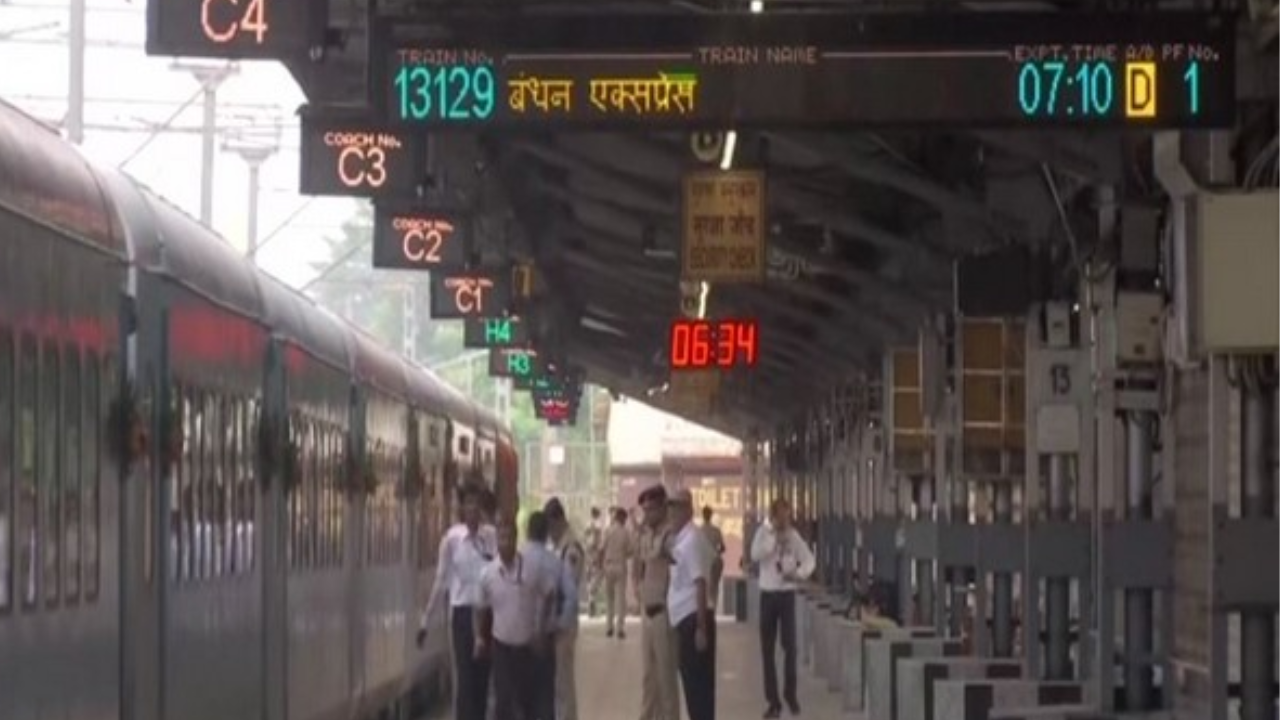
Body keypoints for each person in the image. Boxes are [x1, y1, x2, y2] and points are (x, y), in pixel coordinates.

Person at [417, 481, 497, 720]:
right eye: (468, 504)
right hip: (461, 614)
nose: (473, 509)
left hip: (485, 615)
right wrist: (425, 622)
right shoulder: (451, 540)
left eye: (477, 504)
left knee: (482, 678)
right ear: (462, 508)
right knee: (464, 677)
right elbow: (441, 581)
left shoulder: (491, 537)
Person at [474, 516, 559, 720]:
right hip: (501, 646)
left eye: (510, 538)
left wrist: (540, 627)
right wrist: (478, 637)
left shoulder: (531, 568)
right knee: (503, 702)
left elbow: (549, 592)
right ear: (497, 540)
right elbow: (480, 607)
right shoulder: (488, 574)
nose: (506, 543)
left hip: (527, 647)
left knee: (526, 702)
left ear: (516, 538)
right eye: (502, 538)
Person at [749, 497, 815, 718]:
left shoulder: (794, 537)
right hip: (768, 595)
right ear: (773, 516)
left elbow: (809, 560)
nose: (784, 521)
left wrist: (798, 574)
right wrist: (772, 541)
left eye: (788, 517)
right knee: (767, 650)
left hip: (786, 595)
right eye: (781, 517)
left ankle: (790, 694)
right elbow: (755, 555)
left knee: (791, 647)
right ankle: (773, 701)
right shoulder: (763, 534)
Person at [667, 488, 716, 720]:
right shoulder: (682, 539)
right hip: (684, 621)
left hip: (693, 621)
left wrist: (701, 628)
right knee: (692, 686)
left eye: (676, 507)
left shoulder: (693, 540)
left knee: (698, 689)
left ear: (688, 510)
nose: (672, 513)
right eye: (670, 508)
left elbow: (700, 583)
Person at [633, 485, 681, 720]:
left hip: (664, 615)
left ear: (663, 508)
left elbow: (681, 567)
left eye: (652, 509)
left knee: (666, 680)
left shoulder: (670, 537)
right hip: (647, 614)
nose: (647, 514)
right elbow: (640, 566)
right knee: (648, 679)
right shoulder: (645, 534)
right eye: (645, 509)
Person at [524, 511, 570, 720]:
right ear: (546, 534)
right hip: (546, 638)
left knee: (522, 697)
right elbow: (572, 598)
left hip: (520, 638)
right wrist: (561, 625)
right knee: (545, 696)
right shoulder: (556, 562)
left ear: (527, 532)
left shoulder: (517, 559)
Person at [545, 497, 585, 720]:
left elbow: (568, 589)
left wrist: (559, 622)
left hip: (564, 624)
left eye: (551, 526)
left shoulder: (570, 549)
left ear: (558, 521)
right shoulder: (560, 546)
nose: (550, 532)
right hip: (558, 623)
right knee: (558, 684)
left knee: (563, 684)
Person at [601, 507, 633, 638]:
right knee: (620, 599)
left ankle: (609, 627)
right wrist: (624, 553)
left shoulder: (608, 530)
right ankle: (620, 628)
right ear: (623, 518)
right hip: (620, 566)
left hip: (608, 565)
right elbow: (630, 551)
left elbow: (602, 549)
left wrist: (600, 565)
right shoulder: (626, 532)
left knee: (609, 599)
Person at [700, 506, 726, 611]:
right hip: (715, 560)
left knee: (703, 585)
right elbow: (723, 547)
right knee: (714, 586)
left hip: (703, 561)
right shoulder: (716, 531)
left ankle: (704, 607)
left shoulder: (699, 531)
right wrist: (716, 552)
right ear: (711, 515)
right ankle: (712, 608)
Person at [583, 507, 604, 617]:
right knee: (595, 579)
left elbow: (586, 538)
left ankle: (591, 603)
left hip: (589, 555)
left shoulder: (588, 524)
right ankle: (592, 603)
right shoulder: (598, 525)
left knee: (590, 579)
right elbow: (598, 541)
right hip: (595, 555)